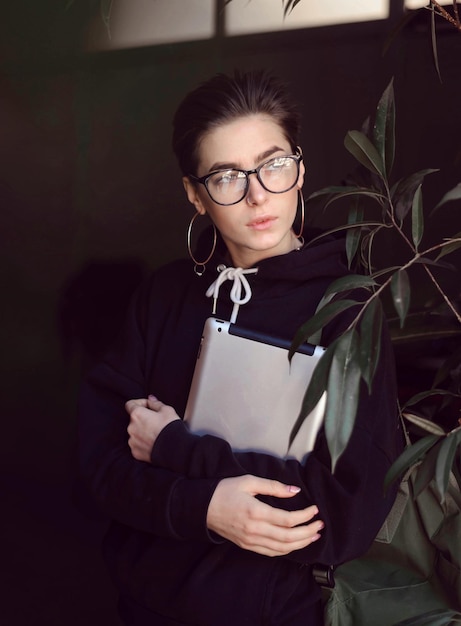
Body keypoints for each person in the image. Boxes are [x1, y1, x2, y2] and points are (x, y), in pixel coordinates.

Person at [78, 70, 403, 626]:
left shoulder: (350, 308)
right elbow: (98, 467)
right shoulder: (164, 296)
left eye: (273, 164)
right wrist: (203, 507)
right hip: (142, 607)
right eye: (227, 176)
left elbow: (346, 513)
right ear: (195, 195)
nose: (257, 194)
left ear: (299, 169)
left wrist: (179, 451)